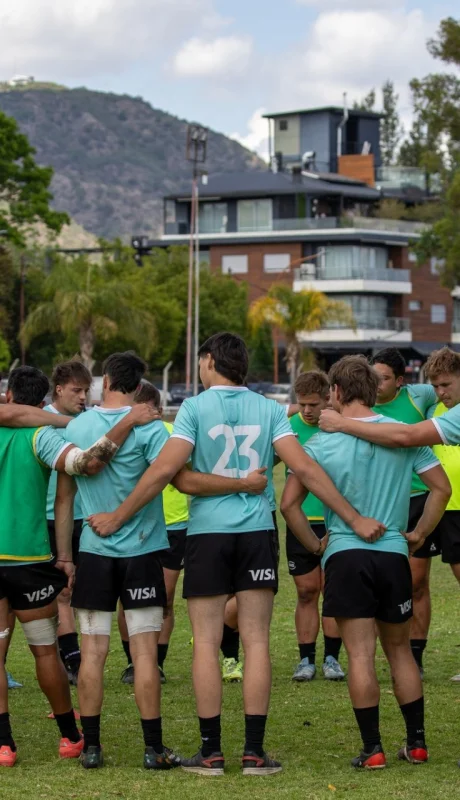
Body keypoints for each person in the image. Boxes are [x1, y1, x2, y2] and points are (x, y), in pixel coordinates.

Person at [88, 332, 385, 777]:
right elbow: (304, 467)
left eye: (201, 361)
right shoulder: (268, 409)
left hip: (207, 534)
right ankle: (253, 752)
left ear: (209, 360)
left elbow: (166, 472)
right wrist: (354, 517)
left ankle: (211, 753)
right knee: (257, 641)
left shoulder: (194, 407)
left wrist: (117, 515)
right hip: (255, 533)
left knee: (206, 642)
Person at [56, 353, 268, 771]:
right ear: (139, 387)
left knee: (92, 652)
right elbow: (174, 478)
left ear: (104, 380)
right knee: (145, 655)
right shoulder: (154, 429)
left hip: (94, 553)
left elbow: (65, 500)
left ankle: (93, 747)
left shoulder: (76, 427)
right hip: (142, 552)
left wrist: (65, 554)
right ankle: (153, 748)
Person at [281, 355, 450, 769]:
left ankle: (372, 749)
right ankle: (417, 743)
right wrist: (419, 534)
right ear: (375, 390)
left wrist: (316, 544)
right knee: (400, 653)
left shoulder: (318, 443)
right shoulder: (405, 436)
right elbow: (440, 490)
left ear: (335, 393)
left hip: (345, 554)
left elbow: (288, 505)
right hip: (393, 553)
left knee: (359, 655)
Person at [0, 365, 155, 768]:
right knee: (45, 652)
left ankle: (5, 744)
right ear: (42, 399)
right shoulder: (44, 436)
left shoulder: (31, 422)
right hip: (28, 558)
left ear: (9, 397)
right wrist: (125, 423)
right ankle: (71, 736)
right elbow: (89, 462)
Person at [370, 349, 437, 677]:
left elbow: (446, 386)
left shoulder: (419, 396)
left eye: (382, 378)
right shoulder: (358, 405)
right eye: (372, 376)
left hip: (417, 499)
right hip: (378, 502)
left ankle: (416, 656)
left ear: (400, 381)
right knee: (374, 580)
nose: (375, 384)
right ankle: (363, 656)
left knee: (416, 583)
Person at [118, 381, 189, 685]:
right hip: (137, 527)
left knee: (164, 599)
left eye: (150, 410)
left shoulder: (174, 436)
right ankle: (133, 663)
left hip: (175, 526)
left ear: (160, 411)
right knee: (130, 598)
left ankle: (156, 663)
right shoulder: (120, 437)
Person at [287, 371, 344, 683]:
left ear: (327, 399)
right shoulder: (288, 428)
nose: (306, 410)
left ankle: (332, 658)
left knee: (333, 591)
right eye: (301, 404)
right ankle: (305, 659)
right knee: (307, 591)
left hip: (336, 521)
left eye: (312, 404)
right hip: (300, 521)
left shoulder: (340, 426)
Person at [45, 360, 92, 686]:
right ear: (59, 389)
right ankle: (72, 659)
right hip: (48, 519)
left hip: (84, 519)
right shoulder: (41, 422)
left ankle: (78, 659)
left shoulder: (87, 423)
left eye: (87, 390)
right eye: (77, 390)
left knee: (80, 593)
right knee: (60, 593)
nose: (83, 396)